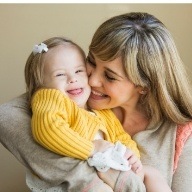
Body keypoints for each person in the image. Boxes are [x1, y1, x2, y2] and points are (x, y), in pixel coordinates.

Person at [0, 12, 192, 192]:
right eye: (90, 62)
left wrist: (133, 160)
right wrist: (96, 177)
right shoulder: (74, 97)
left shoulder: (181, 135)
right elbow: (6, 116)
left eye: (109, 76)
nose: (91, 81)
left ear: (143, 85)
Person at [26, 36, 171, 192]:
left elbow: (120, 136)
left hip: (109, 168)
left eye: (79, 71)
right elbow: (48, 130)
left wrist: (131, 154)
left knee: (152, 173)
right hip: (78, 177)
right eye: (60, 75)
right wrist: (91, 149)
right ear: (41, 85)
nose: (73, 79)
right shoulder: (50, 98)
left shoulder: (100, 111)